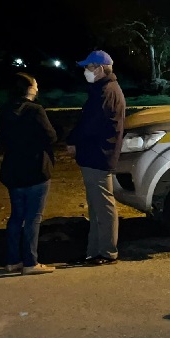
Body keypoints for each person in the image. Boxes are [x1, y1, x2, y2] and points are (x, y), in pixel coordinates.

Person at [67, 50, 126, 266]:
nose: (86, 71)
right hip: (97, 154)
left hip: (99, 155)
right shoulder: (104, 89)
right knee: (96, 206)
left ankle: (107, 252)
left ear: (100, 69)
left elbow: (90, 125)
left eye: (89, 68)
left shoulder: (106, 91)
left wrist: (73, 140)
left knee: (103, 206)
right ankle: (94, 252)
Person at [0, 72, 57, 275]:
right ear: (30, 88)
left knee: (16, 216)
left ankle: (12, 261)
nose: (38, 88)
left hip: (13, 170)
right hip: (36, 169)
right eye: (36, 85)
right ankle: (31, 262)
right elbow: (51, 136)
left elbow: (2, 139)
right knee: (33, 217)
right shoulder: (36, 110)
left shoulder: (4, 110)